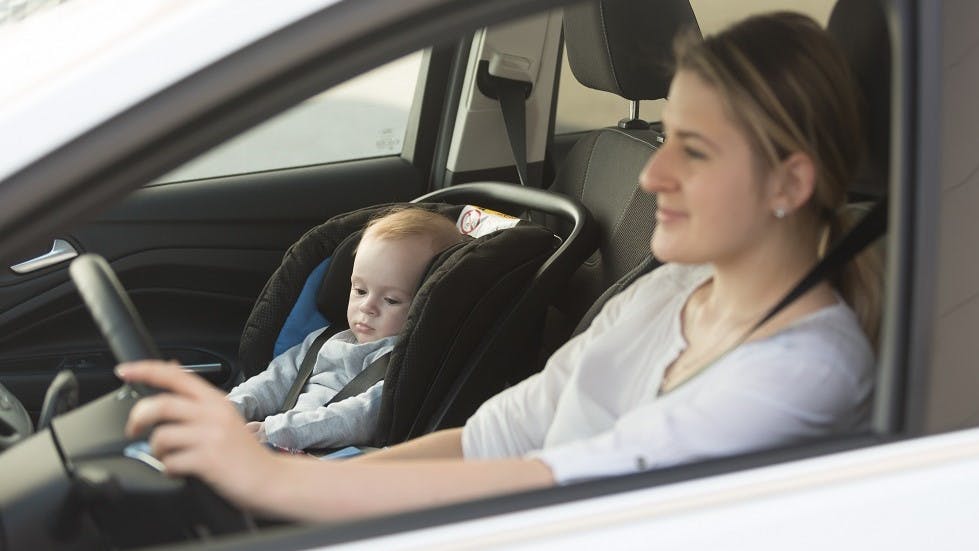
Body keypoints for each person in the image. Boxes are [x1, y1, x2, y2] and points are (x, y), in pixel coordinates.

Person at [117, 12, 881, 522]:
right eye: (667, 138)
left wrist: (284, 481)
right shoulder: (668, 291)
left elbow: (587, 481)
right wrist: (289, 465)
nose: (654, 176)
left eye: (697, 150)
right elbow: (503, 433)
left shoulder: (804, 367)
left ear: (789, 182)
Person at [228, 207, 464, 450]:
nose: (367, 307)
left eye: (391, 300)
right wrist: (232, 408)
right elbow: (273, 380)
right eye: (360, 291)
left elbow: (360, 417)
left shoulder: (405, 365)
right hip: (281, 441)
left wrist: (277, 430)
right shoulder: (323, 339)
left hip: (335, 463)